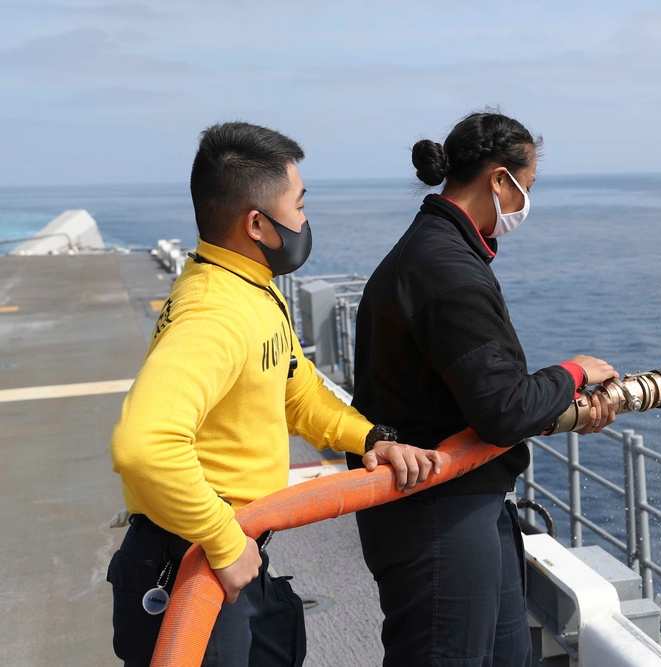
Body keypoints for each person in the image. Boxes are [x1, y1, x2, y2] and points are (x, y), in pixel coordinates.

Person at [107, 121, 442, 667]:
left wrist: (372, 438)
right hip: (194, 557)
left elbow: (298, 392)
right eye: (300, 204)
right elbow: (142, 446)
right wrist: (221, 538)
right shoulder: (215, 311)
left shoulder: (252, 289)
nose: (306, 220)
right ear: (258, 223)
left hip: (234, 550)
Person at [348, 110, 619, 667]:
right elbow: (501, 408)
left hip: (461, 499)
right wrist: (572, 375)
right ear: (500, 180)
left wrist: (552, 405)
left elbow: (464, 392)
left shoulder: (436, 249)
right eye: (527, 188)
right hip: (436, 512)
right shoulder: (446, 268)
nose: (525, 205)